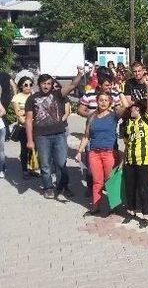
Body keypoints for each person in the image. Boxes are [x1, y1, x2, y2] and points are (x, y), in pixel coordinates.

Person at [25, 68, 84, 199]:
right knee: (45, 164)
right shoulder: (32, 99)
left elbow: (73, 85)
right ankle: (48, 187)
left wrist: (80, 74)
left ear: (52, 85)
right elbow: (28, 121)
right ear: (39, 84)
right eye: (43, 83)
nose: (46, 86)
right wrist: (30, 140)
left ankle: (63, 186)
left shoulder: (58, 94)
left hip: (59, 134)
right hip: (41, 136)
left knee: (61, 162)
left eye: (48, 83)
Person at [75, 90, 128, 215]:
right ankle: (96, 206)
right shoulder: (92, 116)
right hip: (94, 153)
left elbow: (125, 105)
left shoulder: (114, 115)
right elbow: (86, 136)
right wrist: (79, 151)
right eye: (101, 100)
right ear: (97, 101)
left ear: (110, 102)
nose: (103, 103)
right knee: (97, 181)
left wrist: (119, 92)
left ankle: (113, 205)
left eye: (106, 100)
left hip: (109, 152)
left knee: (110, 180)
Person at [121, 77, 148, 228]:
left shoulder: (147, 120)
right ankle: (131, 212)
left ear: (139, 110)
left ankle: (146, 214)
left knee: (143, 188)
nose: (131, 109)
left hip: (145, 160)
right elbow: (127, 143)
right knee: (130, 187)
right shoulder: (128, 123)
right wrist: (124, 161)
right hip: (130, 160)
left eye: (133, 108)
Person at [12, 76, 35, 177]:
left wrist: (25, 113)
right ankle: (25, 170)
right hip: (23, 128)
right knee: (25, 149)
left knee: (34, 149)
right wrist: (27, 122)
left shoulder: (34, 96)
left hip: (36, 127)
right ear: (21, 86)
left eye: (30, 84)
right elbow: (18, 115)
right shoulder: (17, 98)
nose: (28, 86)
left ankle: (32, 169)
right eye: (26, 84)